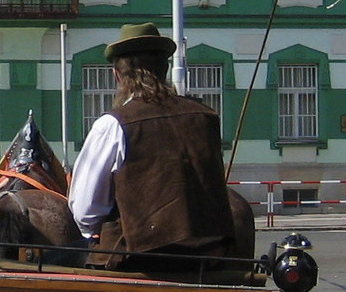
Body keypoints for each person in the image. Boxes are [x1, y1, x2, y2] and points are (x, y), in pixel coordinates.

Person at [67, 23, 239, 272]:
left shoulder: (113, 124)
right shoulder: (206, 117)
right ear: (165, 69)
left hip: (137, 260)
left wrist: (94, 233)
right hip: (209, 255)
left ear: (117, 75)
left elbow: (85, 210)